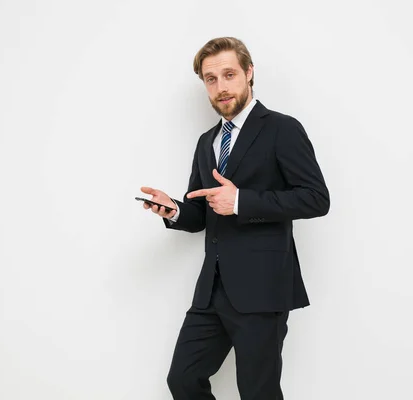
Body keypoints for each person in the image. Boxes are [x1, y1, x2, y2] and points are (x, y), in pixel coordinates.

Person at [140, 37, 330, 399]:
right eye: (211, 79)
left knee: (258, 392)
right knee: (182, 379)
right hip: (211, 292)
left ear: (249, 73)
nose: (220, 87)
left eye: (229, 74)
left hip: (262, 290)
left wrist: (241, 201)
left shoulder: (281, 129)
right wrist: (176, 210)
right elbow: (203, 211)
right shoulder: (206, 141)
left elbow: (316, 199)